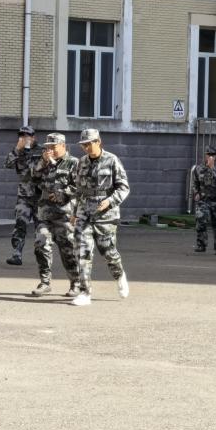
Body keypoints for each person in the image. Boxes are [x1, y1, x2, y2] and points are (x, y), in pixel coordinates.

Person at [71, 129, 130, 306]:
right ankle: (84, 292)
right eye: (83, 145)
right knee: (82, 251)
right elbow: (78, 190)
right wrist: (74, 212)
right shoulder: (81, 162)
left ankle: (119, 275)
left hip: (105, 216)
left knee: (109, 253)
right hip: (84, 213)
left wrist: (110, 201)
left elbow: (124, 187)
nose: (86, 148)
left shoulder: (112, 160)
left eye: (89, 144)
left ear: (98, 142)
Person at [30, 133, 81, 298]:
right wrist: (42, 163)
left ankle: (76, 283)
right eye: (48, 147)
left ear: (63, 146)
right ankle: (45, 283)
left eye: (53, 147)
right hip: (45, 214)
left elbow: (79, 186)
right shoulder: (44, 162)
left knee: (68, 250)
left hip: (64, 214)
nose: (50, 150)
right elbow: (33, 179)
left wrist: (63, 193)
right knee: (41, 244)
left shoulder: (73, 163)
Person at [3, 125, 40, 266]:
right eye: (22, 136)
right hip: (24, 196)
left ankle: (41, 254)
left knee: (40, 227)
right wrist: (17, 149)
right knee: (20, 225)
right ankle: (16, 254)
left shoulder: (42, 150)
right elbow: (7, 164)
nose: (24, 138)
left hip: (40, 196)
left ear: (33, 137)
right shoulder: (18, 152)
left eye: (27, 136)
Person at [191, 145, 216, 255]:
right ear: (205, 155)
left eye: (213, 155)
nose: (211, 157)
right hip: (204, 200)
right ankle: (201, 244)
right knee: (200, 220)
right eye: (209, 155)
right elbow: (195, 183)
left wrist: (212, 168)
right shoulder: (199, 168)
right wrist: (196, 193)